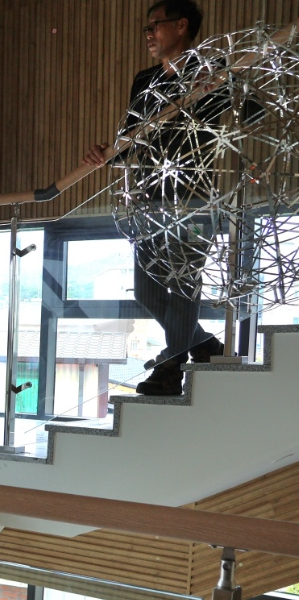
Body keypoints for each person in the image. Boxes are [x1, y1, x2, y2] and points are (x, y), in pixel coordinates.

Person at [81, 0, 225, 395]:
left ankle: (171, 368)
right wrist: (105, 152)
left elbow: (249, 113)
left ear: (181, 26)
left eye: (155, 25)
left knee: (183, 285)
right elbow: (130, 139)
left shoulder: (210, 69)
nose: (148, 34)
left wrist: (218, 86)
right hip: (150, 198)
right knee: (147, 291)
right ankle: (204, 344)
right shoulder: (145, 80)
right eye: (147, 28)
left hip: (194, 198)